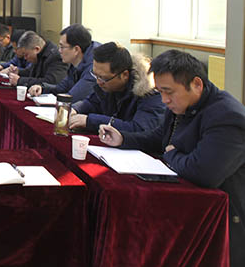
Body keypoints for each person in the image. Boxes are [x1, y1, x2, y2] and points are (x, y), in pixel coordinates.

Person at [99, 50, 245, 266]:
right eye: (160, 92)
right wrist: (123, 139)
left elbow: (203, 173)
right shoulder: (182, 104)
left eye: (168, 92)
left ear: (196, 84)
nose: (164, 100)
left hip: (224, 224)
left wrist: (172, 154)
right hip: (189, 210)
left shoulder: (227, 116)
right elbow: (160, 137)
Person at [68, 42, 165, 133]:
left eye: (103, 78)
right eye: (95, 75)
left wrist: (90, 121)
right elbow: (92, 102)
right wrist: (75, 110)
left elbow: (138, 128)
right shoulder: (107, 84)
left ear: (124, 75)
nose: (98, 82)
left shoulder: (150, 93)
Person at [28, 24, 99, 102]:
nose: (59, 51)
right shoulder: (76, 63)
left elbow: (72, 98)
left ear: (76, 49)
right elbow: (62, 88)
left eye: (62, 47)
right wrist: (42, 88)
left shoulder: (94, 68)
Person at [0, 31, 68, 87]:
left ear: (36, 49)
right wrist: (18, 72)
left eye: (26, 55)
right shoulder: (40, 54)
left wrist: (20, 80)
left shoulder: (56, 57)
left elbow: (50, 82)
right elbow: (31, 72)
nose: (25, 58)